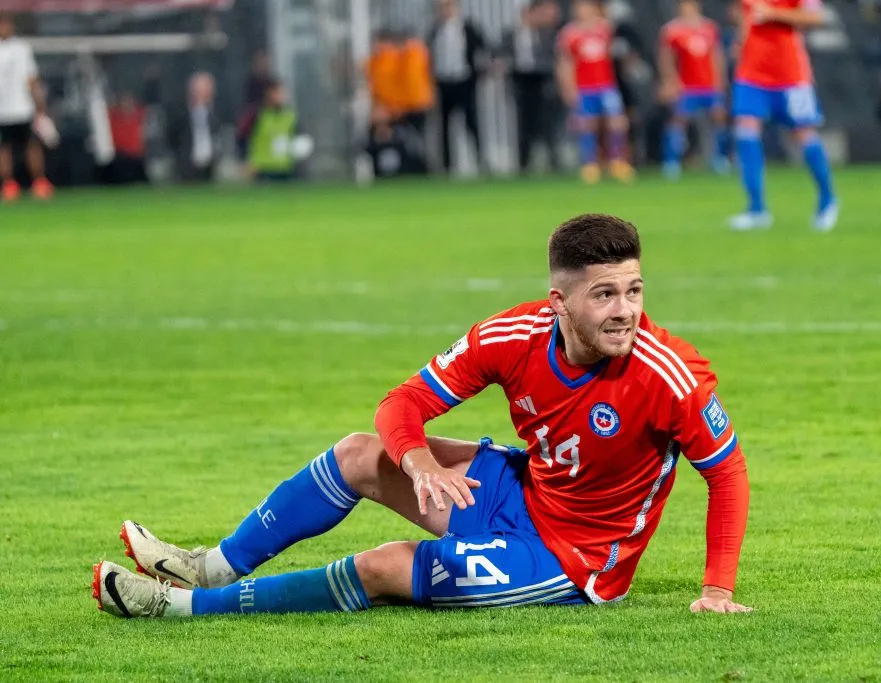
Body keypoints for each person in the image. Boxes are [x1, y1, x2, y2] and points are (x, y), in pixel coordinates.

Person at [92, 213, 753, 619]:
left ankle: (184, 607)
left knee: (383, 566)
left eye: (634, 290)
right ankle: (211, 565)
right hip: (523, 490)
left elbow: (728, 474)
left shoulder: (671, 374)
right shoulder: (511, 336)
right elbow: (400, 403)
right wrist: (417, 460)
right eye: (604, 293)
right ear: (558, 300)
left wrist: (718, 588)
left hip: (573, 558)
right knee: (359, 452)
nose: (625, 310)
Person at [728, 0, 838, 232]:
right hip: (751, 72)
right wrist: (742, 41)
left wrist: (774, 13)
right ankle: (757, 209)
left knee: (804, 134)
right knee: (746, 130)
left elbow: (815, 17)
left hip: (790, 75)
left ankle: (828, 199)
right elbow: (744, 15)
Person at [557, 0, 635, 183]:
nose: (582, 10)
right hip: (584, 87)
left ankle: (617, 162)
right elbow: (565, 63)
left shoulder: (605, 28)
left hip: (606, 86)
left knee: (617, 123)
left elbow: (615, 54)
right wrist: (568, 87)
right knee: (587, 124)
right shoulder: (570, 33)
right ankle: (590, 164)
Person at [659, 0, 731, 178]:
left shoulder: (709, 27)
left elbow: (717, 55)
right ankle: (671, 161)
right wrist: (671, 81)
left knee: (719, 118)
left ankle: (720, 158)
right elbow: (666, 58)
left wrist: (719, 80)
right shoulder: (672, 30)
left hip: (708, 84)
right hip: (686, 86)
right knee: (678, 121)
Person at [428, 0, 490, 174]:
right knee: (445, 125)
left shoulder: (467, 28)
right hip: (444, 82)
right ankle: (448, 165)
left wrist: (480, 71)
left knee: (471, 122)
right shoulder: (435, 30)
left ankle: (479, 160)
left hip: (464, 81)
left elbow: (482, 49)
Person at [500, 0, 563, 173]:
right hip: (520, 80)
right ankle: (524, 162)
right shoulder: (511, 34)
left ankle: (553, 159)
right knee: (523, 123)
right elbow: (500, 54)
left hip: (541, 79)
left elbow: (554, 56)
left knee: (547, 122)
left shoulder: (547, 33)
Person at [0, 12, 54, 201]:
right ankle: (9, 184)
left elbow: (31, 79)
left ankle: (39, 182)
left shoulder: (21, 48)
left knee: (32, 145)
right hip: (2, 110)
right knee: (4, 148)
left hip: (23, 108)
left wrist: (39, 104)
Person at [167, 72, 220, 183]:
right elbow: (172, 137)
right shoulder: (180, 112)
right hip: (187, 165)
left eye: (207, 89)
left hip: (208, 165)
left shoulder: (214, 112)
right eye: (200, 90)